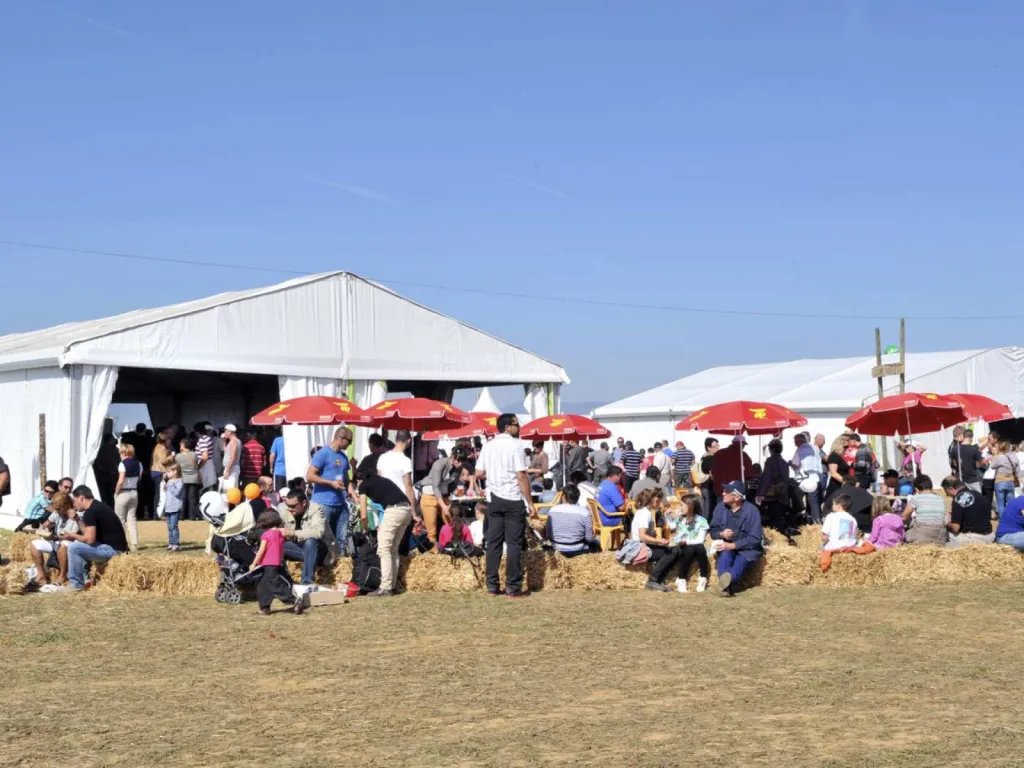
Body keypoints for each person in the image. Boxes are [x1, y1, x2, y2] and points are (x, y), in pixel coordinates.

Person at [475, 413, 537, 598]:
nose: (519, 427)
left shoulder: (488, 445)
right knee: (513, 543)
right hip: (512, 498)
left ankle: (492, 586)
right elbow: (521, 476)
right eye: (516, 424)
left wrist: (494, 475)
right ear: (508, 427)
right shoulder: (516, 445)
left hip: (494, 499)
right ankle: (512, 586)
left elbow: (478, 473)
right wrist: (530, 502)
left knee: (493, 543)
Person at [357, 465, 419, 597]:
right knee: (393, 549)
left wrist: (367, 529)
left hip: (393, 511)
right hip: (406, 510)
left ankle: (385, 587)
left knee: (384, 549)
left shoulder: (363, 485)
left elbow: (363, 514)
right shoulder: (383, 480)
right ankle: (393, 585)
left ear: (360, 479)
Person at [64, 486, 128, 591]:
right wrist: (77, 520)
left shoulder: (90, 512)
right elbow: (88, 534)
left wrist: (71, 535)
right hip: (116, 548)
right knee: (78, 545)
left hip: (112, 551)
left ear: (81, 498)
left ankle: (76, 585)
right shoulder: (98, 506)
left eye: (74, 501)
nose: (74, 504)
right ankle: (86, 580)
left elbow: (89, 540)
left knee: (74, 547)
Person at [709, 480, 764, 597]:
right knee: (724, 557)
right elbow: (713, 531)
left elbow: (755, 538)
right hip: (726, 547)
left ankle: (725, 586)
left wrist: (733, 545)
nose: (723, 493)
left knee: (740, 563)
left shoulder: (752, 511)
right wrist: (721, 534)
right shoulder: (720, 508)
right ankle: (725, 587)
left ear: (737, 497)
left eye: (727, 491)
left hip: (746, 549)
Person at [306, 427, 355, 555]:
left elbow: (346, 478)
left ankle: (341, 568)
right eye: (349, 441)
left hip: (341, 504)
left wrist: (353, 494)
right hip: (323, 504)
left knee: (341, 540)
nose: (350, 444)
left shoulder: (343, 457)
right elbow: (310, 476)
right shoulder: (322, 454)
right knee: (324, 539)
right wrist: (330, 483)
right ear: (341, 439)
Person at [250, 508, 303, 615]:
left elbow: (261, 550)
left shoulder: (266, 535)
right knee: (264, 585)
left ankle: (293, 600)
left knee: (275, 584)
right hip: (276, 563)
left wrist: (254, 563)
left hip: (269, 563)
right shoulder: (280, 534)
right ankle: (264, 607)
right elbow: (281, 549)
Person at [630, 488, 682, 592]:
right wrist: (659, 541)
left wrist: (659, 540)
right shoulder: (645, 514)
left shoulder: (646, 512)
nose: (661, 503)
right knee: (673, 551)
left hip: (644, 545)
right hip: (640, 547)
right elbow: (642, 536)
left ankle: (660, 580)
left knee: (677, 550)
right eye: (660, 500)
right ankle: (653, 580)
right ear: (655, 499)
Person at [280, 489, 335, 585]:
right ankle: (282, 582)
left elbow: (318, 532)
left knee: (310, 541)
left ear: (304, 503)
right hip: (300, 548)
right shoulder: (285, 511)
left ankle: (307, 581)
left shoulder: (315, 509)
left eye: (293, 506)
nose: (289, 508)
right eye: (287, 505)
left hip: (320, 548)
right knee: (278, 544)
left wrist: (293, 533)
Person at [27, 491, 79, 590]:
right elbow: (47, 524)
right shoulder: (57, 512)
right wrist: (42, 529)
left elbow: (70, 537)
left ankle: (62, 576)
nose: (57, 511)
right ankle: (41, 576)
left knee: (63, 544)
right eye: (56, 509)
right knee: (34, 544)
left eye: (59, 509)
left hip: (69, 544)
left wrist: (53, 537)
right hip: (56, 540)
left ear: (66, 505)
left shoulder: (75, 515)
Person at [416, 446, 467, 546]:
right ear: (452, 457)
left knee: (452, 522)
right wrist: (443, 506)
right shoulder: (439, 464)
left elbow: (453, 485)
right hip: (429, 495)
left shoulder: (459, 468)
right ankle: (434, 553)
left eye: (462, 461)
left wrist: (451, 497)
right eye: (458, 460)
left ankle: (455, 545)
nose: (460, 463)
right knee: (432, 530)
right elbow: (435, 487)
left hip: (444, 496)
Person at [665, 495, 710, 592]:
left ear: (691, 506)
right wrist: (668, 516)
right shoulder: (680, 518)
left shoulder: (702, 521)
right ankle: (681, 579)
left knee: (699, 548)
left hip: (695, 546)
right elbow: (672, 526)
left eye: (682, 505)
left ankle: (703, 578)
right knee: (690, 549)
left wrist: (687, 541)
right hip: (681, 545)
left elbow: (700, 540)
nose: (680, 508)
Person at [544, 484, 598, 556]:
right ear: (577, 497)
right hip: (578, 549)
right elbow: (589, 539)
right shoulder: (584, 512)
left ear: (563, 497)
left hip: (557, 548)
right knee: (597, 545)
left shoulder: (552, 510)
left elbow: (548, 535)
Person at [946, 478, 995, 547]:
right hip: (990, 536)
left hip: (973, 539)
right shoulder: (977, 493)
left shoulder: (958, 498)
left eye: (947, 492)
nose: (947, 495)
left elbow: (955, 528)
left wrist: (947, 523)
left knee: (943, 533)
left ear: (951, 489)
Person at [756, 439, 792, 533]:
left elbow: (766, 478)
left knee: (771, 520)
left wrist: (760, 494)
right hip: (783, 495)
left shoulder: (770, 461)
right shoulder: (784, 462)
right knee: (779, 519)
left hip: (772, 496)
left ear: (771, 449)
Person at [819, 493, 860, 571]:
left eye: (833, 504)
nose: (832, 506)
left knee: (820, 546)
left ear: (839, 506)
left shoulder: (831, 516)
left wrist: (826, 540)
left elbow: (824, 537)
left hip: (835, 547)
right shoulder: (853, 519)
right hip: (849, 547)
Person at [903, 475, 948, 545]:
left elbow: (904, 517)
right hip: (939, 535)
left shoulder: (916, 498)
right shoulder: (940, 498)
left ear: (916, 489)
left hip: (922, 534)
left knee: (905, 535)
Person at [114, 443, 142, 552]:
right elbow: (139, 478)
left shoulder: (122, 464)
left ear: (123, 452)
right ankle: (134, 544)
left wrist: (117, 491)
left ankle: (121, 544)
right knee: (132, 519)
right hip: (134, 492)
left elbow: (121, 481)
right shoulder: (139, 463)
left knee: (120, 519)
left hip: (123, 492)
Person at [790, 432, 823, 524]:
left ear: (799, 441)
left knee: (796, 499)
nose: (795, 444)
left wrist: (790, 464)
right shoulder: (815, 449)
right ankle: (816, 524)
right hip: (815, 479)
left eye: (795, 442)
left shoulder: (800, 450)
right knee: (814, 504)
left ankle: (797, 520)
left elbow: (795, 464)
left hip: (804, 480)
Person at [988, 441, 1019, 519]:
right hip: (1010, 481)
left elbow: (992, 466)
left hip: (1000, 482)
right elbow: (1017, 466)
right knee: (1011, 504)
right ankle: (1012, 520)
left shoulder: (999, 456)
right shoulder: (1013, 456)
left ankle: (1003, 522)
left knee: (1001, 504)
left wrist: (995, 455)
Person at [150, 431, 176, 521]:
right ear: (164, 440)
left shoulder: (157, 447)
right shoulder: (162, 449)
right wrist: (171, 457)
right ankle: (157, 514)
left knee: (158, 494)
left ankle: (156, 514)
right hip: (160, 472)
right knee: (160, 494)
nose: (170, 441)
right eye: (169, 439)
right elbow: (163, 461)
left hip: (156, 472)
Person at [175, 438, 201, 521]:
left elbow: (177, 466)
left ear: (183, 445)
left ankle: (182, 516)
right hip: (193, 478)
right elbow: (196, 464)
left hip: (183, 478)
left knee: (183, 497)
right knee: (192, 498)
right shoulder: (194, 455)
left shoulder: (178, 456)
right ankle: (192, 516)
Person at [93, 434, 121, 506]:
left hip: (103, 475)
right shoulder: (115, 450)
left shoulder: (100, 450)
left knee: (104, 494)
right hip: (113, 474)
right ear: (110, 440)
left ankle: (106, 506)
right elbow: (119, 461)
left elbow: (97, 463)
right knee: (112, 493)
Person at [162, 464, 185, 551]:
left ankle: (176, 544)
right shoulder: (169, 482)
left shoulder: (179, 481)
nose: (167, 473)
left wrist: (170, 484)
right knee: (169, 526)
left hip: (175, 507)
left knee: (173, 526)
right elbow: (166, 491)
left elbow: (177, 492)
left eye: (169, 471)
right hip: (168, 506)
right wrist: (165, 483)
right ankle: (171, 543)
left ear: (175, 471)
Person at [221, 424, 242, 491]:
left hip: (231, 468)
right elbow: (226, 452)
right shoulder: (236, 441)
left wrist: (227, 470)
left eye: (225, 431)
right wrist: (224, 441)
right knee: (230, 488)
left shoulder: (233, 441)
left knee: (230, 489)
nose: (224, 433)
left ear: (229, 432)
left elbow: (232, 457)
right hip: (231, 467)